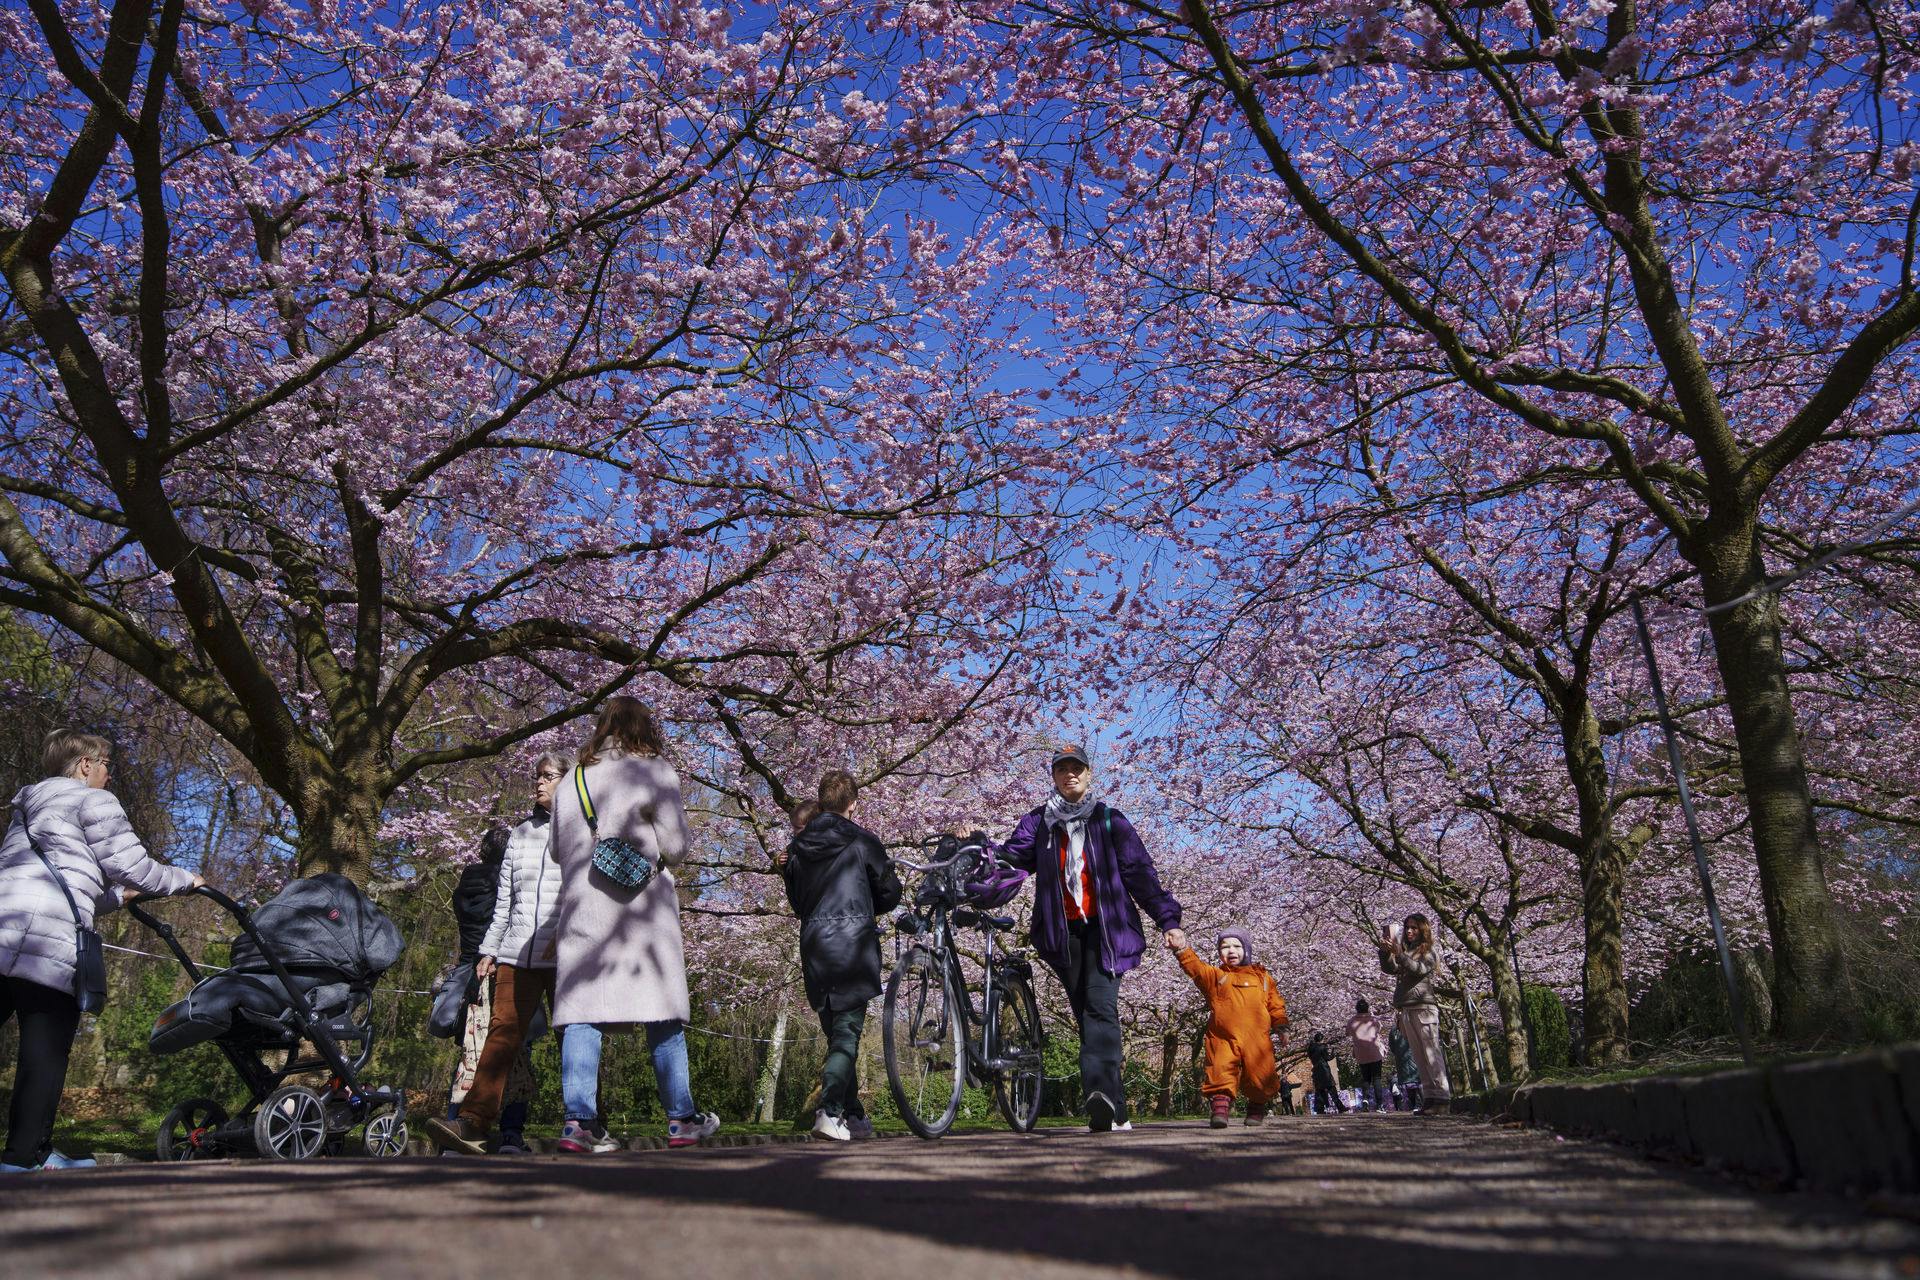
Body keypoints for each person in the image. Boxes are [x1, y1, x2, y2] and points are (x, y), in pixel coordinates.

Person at [0, 729, 202, 1171]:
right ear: (85, 765)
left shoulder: (28, 807)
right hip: (45, 942)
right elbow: (133, 866)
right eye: (107, 765)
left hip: (5, 926)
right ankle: (23, 1157)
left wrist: (116, 898)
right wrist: (185, 881)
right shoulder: (93, 801)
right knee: (44, 1050)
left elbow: (63, 881)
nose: (110, 776)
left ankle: (37, 1149)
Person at [548, 697, 720, 1150]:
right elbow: (678, 846)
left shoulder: (571, 780)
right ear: (644, 727)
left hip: (584, 907)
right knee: (661, 1011)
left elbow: (555, 850)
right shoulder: (653, 770)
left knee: (582, 1013)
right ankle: (681, 1119)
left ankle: (578, 1123)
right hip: (642, 911)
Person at [986, 744, 1183, 1132]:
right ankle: (1117, 1109)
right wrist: (977, 845)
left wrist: (1168, 920)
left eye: (1076, 768)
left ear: (1089, 774)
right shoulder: (1039, 822)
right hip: (1064, 934)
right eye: (1062, 769)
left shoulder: (1111, 821)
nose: (1069, 774)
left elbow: (1140, 874)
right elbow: (1010, 859)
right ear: (1054, 777)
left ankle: (1099, 1097)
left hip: (1107, 931)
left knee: (1100, 1009)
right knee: (1086, 1015)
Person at [426, 753, 566, 1155]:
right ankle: (473, 1122)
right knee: (502, 1033)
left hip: (566, 953)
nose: (539, 783)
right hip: (517, 952)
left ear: (568, 782)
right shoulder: (520, 833)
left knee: (573, 1037)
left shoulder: (581, 831)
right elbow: (504, 900)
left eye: (548, 776)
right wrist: (489, 949)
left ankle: (586, 1123)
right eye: (537, 776)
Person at [782, 771, 902, 1141]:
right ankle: (830, 1110)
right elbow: (889, 892)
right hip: (852, 944)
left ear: (820, 802)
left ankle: (853, 1115)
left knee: (837, 1034)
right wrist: (870, 902)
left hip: (815, 944)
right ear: (853, 803)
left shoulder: (797, 849)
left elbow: (798, 902)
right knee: (846, 1035)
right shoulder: (863, 840)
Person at [1169, 927, 1288, 1127]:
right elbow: (1196, 968)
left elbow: (1275, 1005)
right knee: (1219, 1070)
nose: (1231, 951)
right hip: (1222, 1036)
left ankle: (1256, 1109)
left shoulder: (1263, 978)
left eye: (1237, 946)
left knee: (1261, 1075)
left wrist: (1282, 1027)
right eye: (1225, 947)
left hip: (1257, 1038)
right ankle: (1220, 1111)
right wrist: (1182, 949)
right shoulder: (1216, 977)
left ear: (1247, 949)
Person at [1379, 913, 1451, 1114]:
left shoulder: (1429, 952)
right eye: (1407, 927)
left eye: (1414, 928)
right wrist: (1386, 952)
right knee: (1419, 1056)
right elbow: (1391, 969)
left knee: (1431, 1053)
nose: (1409, 931)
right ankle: (1430, 1097)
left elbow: (1418, 969)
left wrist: (1400, 954)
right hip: (1407, 1008)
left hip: (1424, 1007)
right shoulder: (1406, 951)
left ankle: (1442, 1098)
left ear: (1422, 930)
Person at [1346, 997, 1387, 1112]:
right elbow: (1379, 1029)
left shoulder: (1352, 1021)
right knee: (1377, 1078)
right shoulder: (1374, 1020)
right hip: (1374, 1052)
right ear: (1368, 1008)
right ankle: (1380, 1105)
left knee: (1366, 1079)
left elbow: (1347, 1032)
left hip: (1361, 1054)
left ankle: (1365, 1100)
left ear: (1356, 1009)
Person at [1305, 1030, 1346, 1115]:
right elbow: (1327, 1058)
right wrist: (1333, 1054)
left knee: (1319, 1091)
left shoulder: (1310, 1049)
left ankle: (1320, 1109)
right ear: (1321, 1039)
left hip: (1316, 1070)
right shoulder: (1322, 1047)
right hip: (1324, 1070)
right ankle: (1340, 1107)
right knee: (1332, 1089)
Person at [1389, 1020, 1422, 1112]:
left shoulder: (1394, 1030)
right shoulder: (1413, 1025)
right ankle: (1422, 1104)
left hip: (1402, 1060)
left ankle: (1415, 1105)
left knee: (1410, 1084)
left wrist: (1398, 1053)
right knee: (1418, 1083)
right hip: (1414, 1057)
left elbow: (1391, 1046)